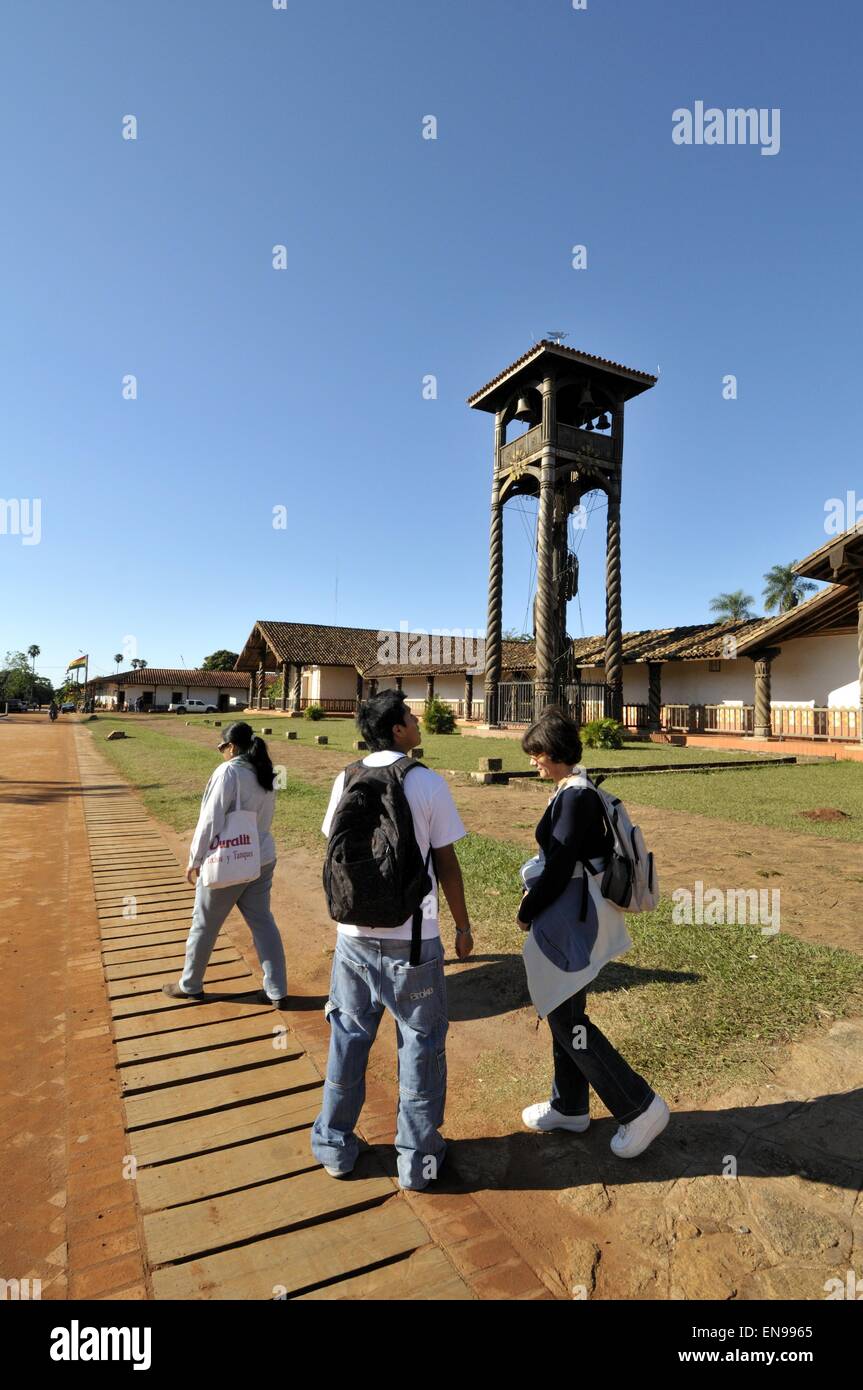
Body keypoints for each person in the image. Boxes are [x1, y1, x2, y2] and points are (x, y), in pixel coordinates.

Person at [311, 690, 474, 1191]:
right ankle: (418, 1161)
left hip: (353, 940)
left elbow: (336, 849)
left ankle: (335, 1145)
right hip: (415, 941)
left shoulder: (347, 776)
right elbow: (446, 863)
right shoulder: (426, 782)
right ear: (399, 730)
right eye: (410, 714)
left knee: (349, 1038)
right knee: (420, 1046)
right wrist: (463, 927)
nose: (417, 718)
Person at [517, 707, 670, 1159]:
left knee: (565, 1015)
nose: (533, 761)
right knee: (564, 1009)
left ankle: (639, 1107)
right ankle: (570, 1105)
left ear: (556, 752)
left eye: (537, 753)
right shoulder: (574, 790)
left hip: (573, 919)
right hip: (577, 913)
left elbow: (561, 865)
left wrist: (527, 909)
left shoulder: (575, 797)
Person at [163, 721, 289, 1006]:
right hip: (260, 857)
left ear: (231, 747)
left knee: (204, 923)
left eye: (222, 747)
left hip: (228, 860)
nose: (221, 752)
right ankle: (276, 990)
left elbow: (211, 819)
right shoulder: (265, 770)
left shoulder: (229, 771)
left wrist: (195, 859)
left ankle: (191, 984)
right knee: (263, 923)